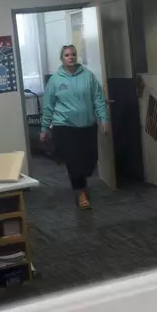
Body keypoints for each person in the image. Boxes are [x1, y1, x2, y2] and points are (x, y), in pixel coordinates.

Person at [40, 45, 110, 210]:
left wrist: (104, 119)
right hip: (64, 127)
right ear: (62, 58)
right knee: (73, 161)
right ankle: (80, 193)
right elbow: (48, 106)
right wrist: (44, 128)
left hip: (87, 126)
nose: (70, 57)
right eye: (66, 55)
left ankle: (82, 185)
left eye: (73, 54)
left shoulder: (88, 77)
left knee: (89, 161)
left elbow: (98, 99)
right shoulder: (55, 80)